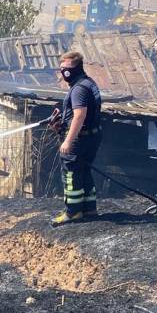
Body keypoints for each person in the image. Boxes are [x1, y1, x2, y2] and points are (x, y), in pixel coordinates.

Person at [52, 50, 102, 227]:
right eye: (61, 69)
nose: (62, 73)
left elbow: (80, 115)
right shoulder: (88, 83)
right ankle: (89, 209)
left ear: (72, 70)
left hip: (80, 139)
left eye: (65, 69)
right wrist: (62, 122)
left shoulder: (79, 89)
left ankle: (73, 212)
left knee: (71, 173)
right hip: (92, 136)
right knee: (84, 170)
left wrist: (68, 140)